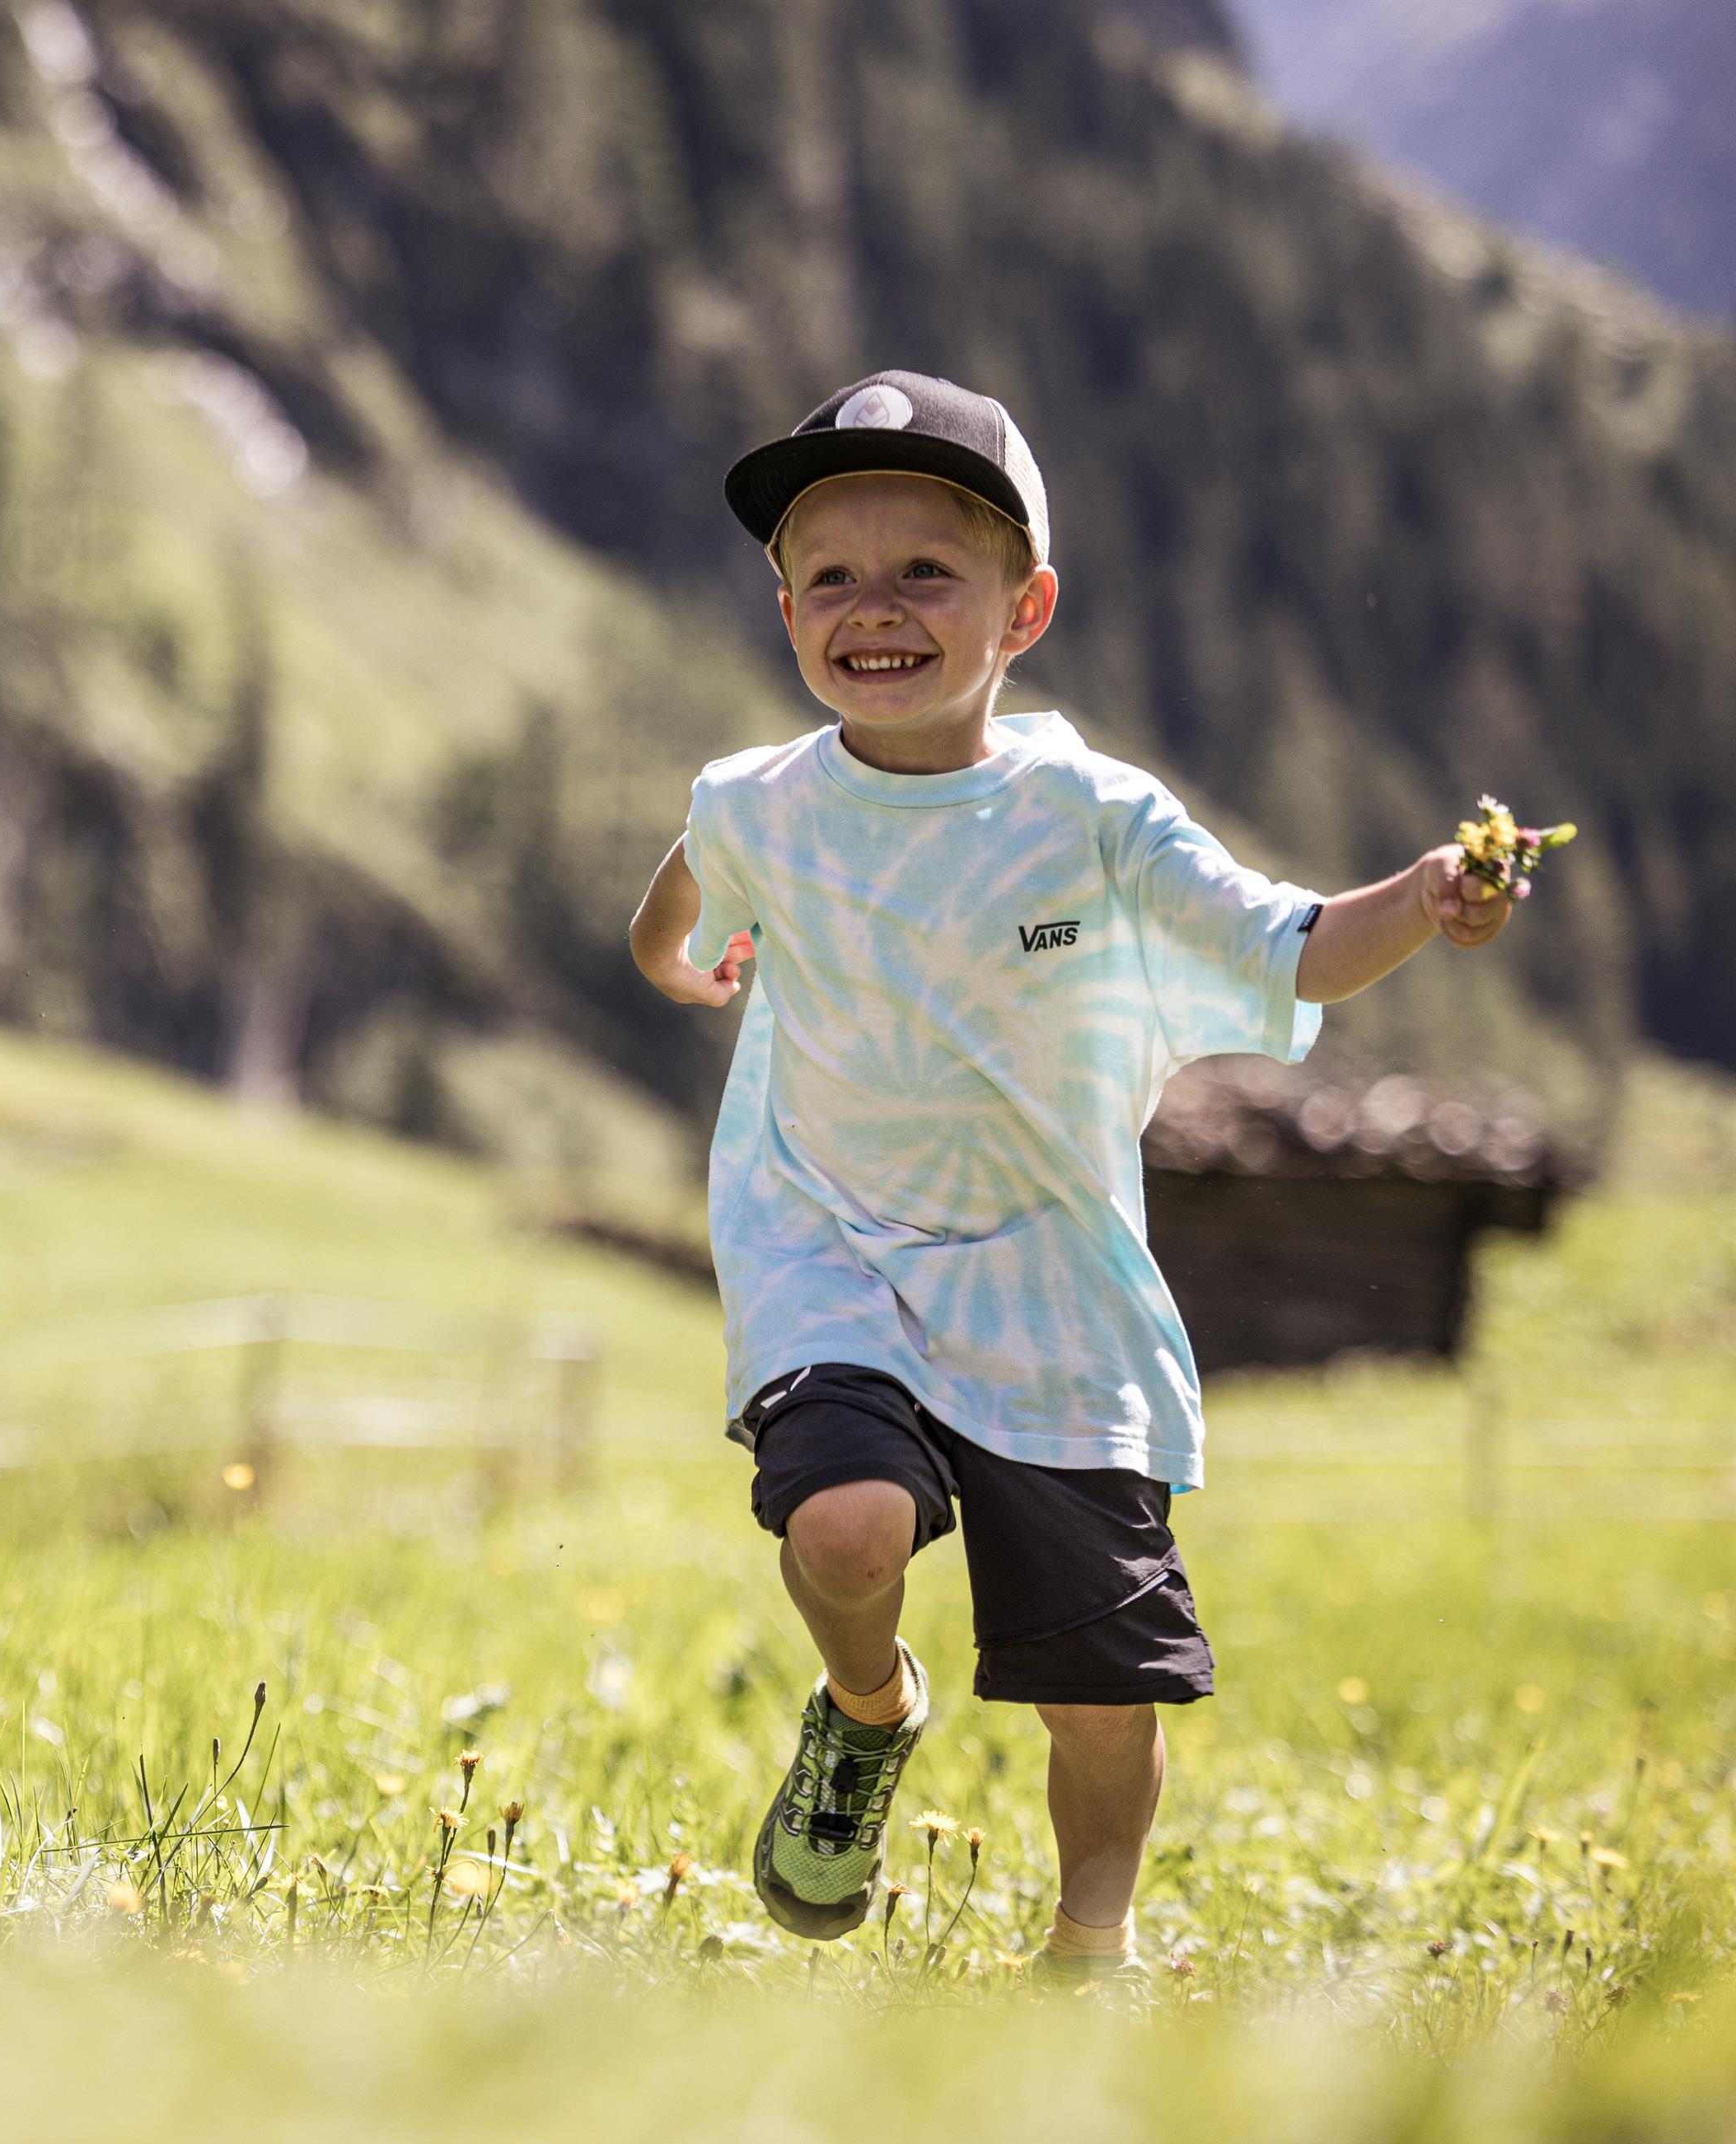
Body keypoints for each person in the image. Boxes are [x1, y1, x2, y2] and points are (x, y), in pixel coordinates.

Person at [626, 372, 1514, 1987]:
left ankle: (1084, 1958)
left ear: (1022, 608)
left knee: (1099, 1691)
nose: (874, 608)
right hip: (829, 1245)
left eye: (926, 571)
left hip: (1053, 1284)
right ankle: (867, 1708)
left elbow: (1294, 946)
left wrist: (1427, 893)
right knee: (844, 1527)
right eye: (831, 575)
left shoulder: (1092, 816)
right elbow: (676, 899)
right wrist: (684, 967)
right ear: (784, 609)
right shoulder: (755, 799)